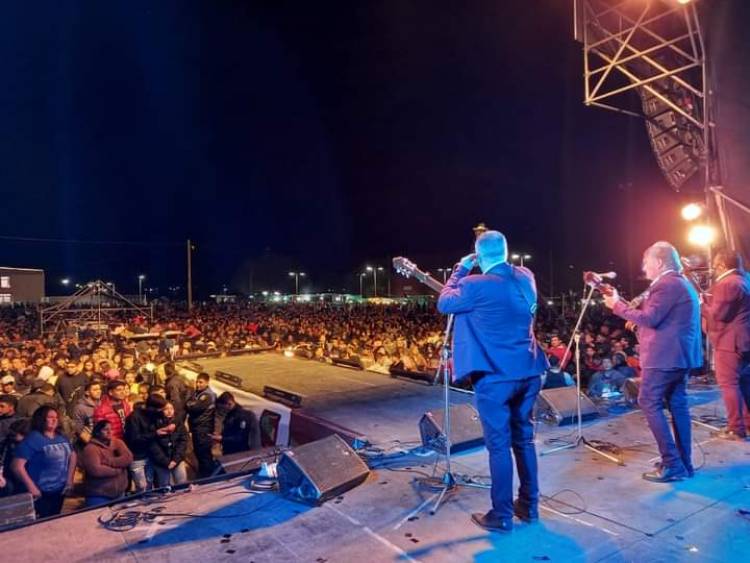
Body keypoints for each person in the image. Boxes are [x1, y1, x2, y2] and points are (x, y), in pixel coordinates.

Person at [437, 230, 548, 532]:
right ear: (506, 250)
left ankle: (501, 515)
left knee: (499, 447)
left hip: (496, 379)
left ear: (477, 253)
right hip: (529, 371)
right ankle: (529, 505)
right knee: (523, 440)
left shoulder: (474, 284)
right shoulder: (526, 276)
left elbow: (445, 303)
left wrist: (461, 268)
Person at [604, 241, 703, 482]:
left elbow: (651, 318)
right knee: (677, 405)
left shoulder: (667, 284)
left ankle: (673, 463)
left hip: (664, 358)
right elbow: (658, 318)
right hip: (678, 357)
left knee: (648, 401)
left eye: (646, 262)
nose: (644, 267)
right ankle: (682, 463)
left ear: (658, 262)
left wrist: (616, 306)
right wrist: (624, 306)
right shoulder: (679, 283)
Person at [702, 249, 750, 440]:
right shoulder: (745, 279)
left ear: (721, 265)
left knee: (729, 383)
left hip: (730, 343)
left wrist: (701, 305)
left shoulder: (728, 283)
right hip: (744, 341)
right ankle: (746, 422)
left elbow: (718, 315)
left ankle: (735, 428)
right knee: (745, 382)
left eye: (715, 264)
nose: (713, 268)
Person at [11, 406, 76, 517]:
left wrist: (69, 480)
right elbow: (17, 466)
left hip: (59, 489)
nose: (54, 420)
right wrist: (32, 487)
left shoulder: (61, 437)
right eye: (50, 417)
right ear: (41, 419)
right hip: (40, 492)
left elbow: (72, 455)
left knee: (54, 517)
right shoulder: (32, 439)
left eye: (56, 417)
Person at [79, 420, 133, 507]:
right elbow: (96, 470)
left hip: (119, 493)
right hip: (99, 495)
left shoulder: (118, 442)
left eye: (111, 429)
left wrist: (108, 461)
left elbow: (128, 458)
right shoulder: (90, 448)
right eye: (105, 429)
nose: (109, 432)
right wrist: (118, 470)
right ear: (97, 432)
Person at [124, 394, 168, 492]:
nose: (161, 412)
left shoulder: (155, 415)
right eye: (160, 409)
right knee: (141, 486)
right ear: (152, 407)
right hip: (137, 457)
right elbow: (134, 439)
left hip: (150, 455)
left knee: (149, 483)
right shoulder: (134, 417)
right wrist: (155, 433)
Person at [186, 372, 217, 477]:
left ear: (207, 382)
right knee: (199, 452)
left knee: (203, 453)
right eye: (197, 382)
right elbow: (190, 403)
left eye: (201, 382)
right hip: (198, 428)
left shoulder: (207, 396)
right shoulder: (199, 393)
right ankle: (204, 472)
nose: (198, 384)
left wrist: (189, 404)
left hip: (203, 429)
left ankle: (207, 475)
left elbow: (193, 408)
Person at [149, 401, 188, 486]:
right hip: (161, 462)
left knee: (182, 484)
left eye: (171, 408)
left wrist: (175, 459)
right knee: (165, 486)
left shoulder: (178, 422)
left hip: (177, 459)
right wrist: (166, 462)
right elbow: (153, 445)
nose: (169, 411)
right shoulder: (154, 423)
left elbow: (183, 440)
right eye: (166, 409)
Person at [71, 381, 102, 448]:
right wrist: (91, 443)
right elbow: (78, 428)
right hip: (88, 444)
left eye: (99, 389)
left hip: (102, 441)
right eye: (95, 390)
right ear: (87, 392)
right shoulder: (80, 407)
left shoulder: (102, 404)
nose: (99, 391)